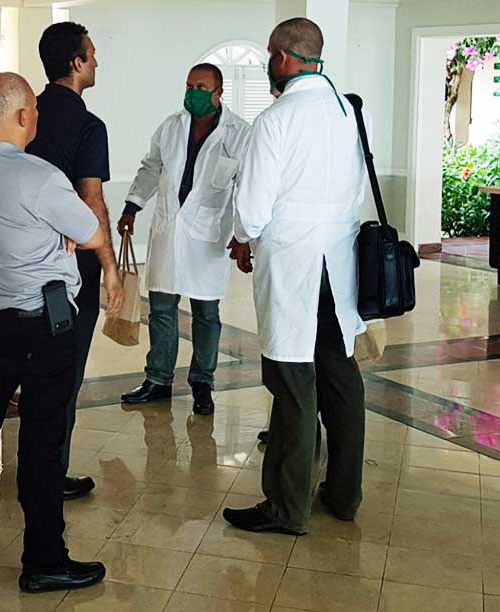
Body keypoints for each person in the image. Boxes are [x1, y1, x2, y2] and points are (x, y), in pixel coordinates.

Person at [0, 72, 115, 592]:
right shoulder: (39, 176)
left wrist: (51, 233)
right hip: (43, 327)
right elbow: (89, 232)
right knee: (43, 444)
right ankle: (44, 559)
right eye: (35, 112)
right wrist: (62, 234)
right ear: (22, 117)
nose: (39, 118)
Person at [223, 17, 367, 535]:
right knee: (340, 376)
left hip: (291, 262)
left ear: (284, 58)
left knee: (292, 384)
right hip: (337, 263)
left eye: (269, 54)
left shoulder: (277, 119)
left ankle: (286, 507)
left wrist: (243, 237)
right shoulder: (346, 112)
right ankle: (344, 495)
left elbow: (254, 208)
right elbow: (354, 195)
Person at [26, 22, 124, 501]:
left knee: (23, 368)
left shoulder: (23, 116)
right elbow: (93, 203)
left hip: (20, 264)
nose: (97, 62)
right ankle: (48, 473)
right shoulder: (88, 125)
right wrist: (109, 267)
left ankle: (25, 466)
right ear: (76, 63)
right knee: (61, 374)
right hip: (67, 274)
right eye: (92, 53)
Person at [118, 63, 251, 415]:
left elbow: (246, 188)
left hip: (209, 236)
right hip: (169, 230)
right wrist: (132, 206)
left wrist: (243, 235)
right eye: (189, 84)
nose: (193, 91)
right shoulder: (171, 126)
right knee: (161, 308)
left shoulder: (239, 133)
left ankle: (202, 383)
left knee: (206, 313)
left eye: (201, 86)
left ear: (218, 93)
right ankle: (158, 379)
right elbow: (150, 167)